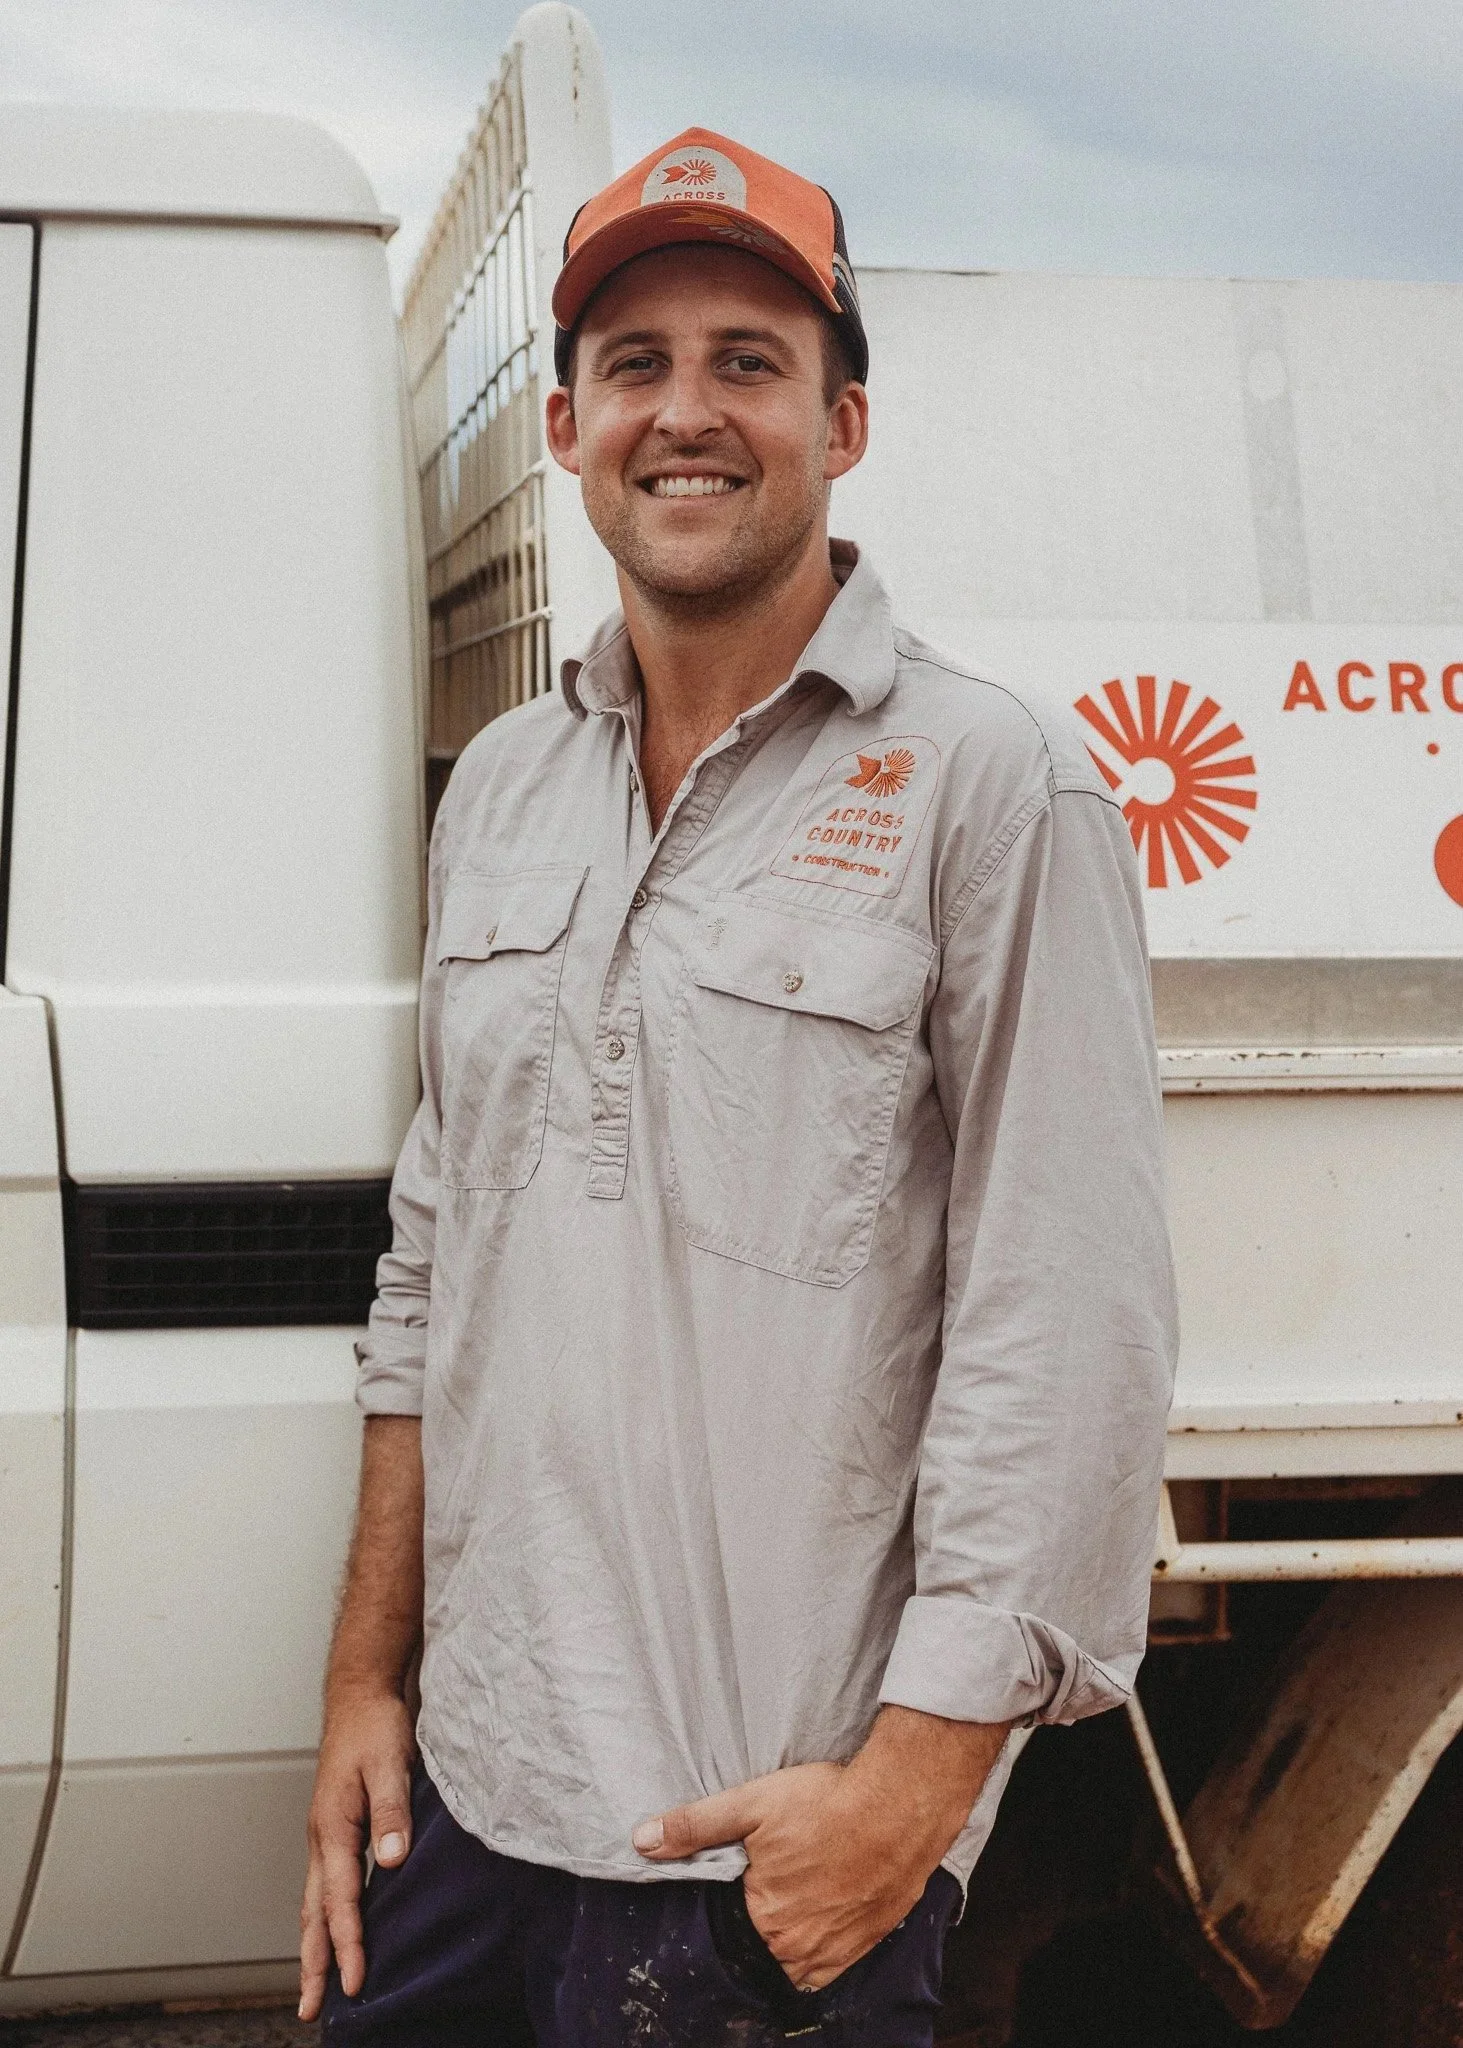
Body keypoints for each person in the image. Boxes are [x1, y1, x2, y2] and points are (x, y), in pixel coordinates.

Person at [299, 126, 1177, 2047]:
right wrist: (366, 1687)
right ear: (564, 425)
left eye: (748, 361)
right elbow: (434, 1264)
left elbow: (1069, 1336)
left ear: (843, 424)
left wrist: (908, 1802)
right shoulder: (509, 794)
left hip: (755, 1858)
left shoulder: (993, 787)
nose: (684, 414)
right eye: (636, 364)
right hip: (465, 1811)